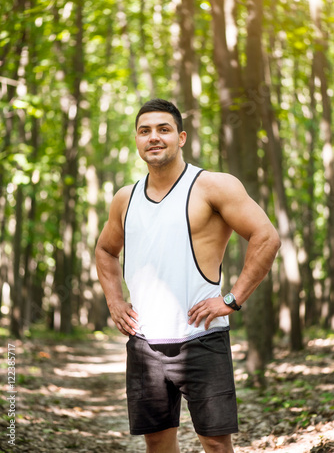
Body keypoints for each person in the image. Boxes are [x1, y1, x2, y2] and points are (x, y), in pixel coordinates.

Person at [95, 98, 281, 453]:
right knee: (158, 442)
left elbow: (267, 236)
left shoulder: (213, 186)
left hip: (201, 338)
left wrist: (233, 299)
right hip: (145, 343)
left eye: (163, 129)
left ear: (181, 137)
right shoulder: (125, 198)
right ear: (136, 140)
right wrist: (115, 301)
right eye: (144, 131)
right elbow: (105, 250)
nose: (154, 137)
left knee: (214, 442)